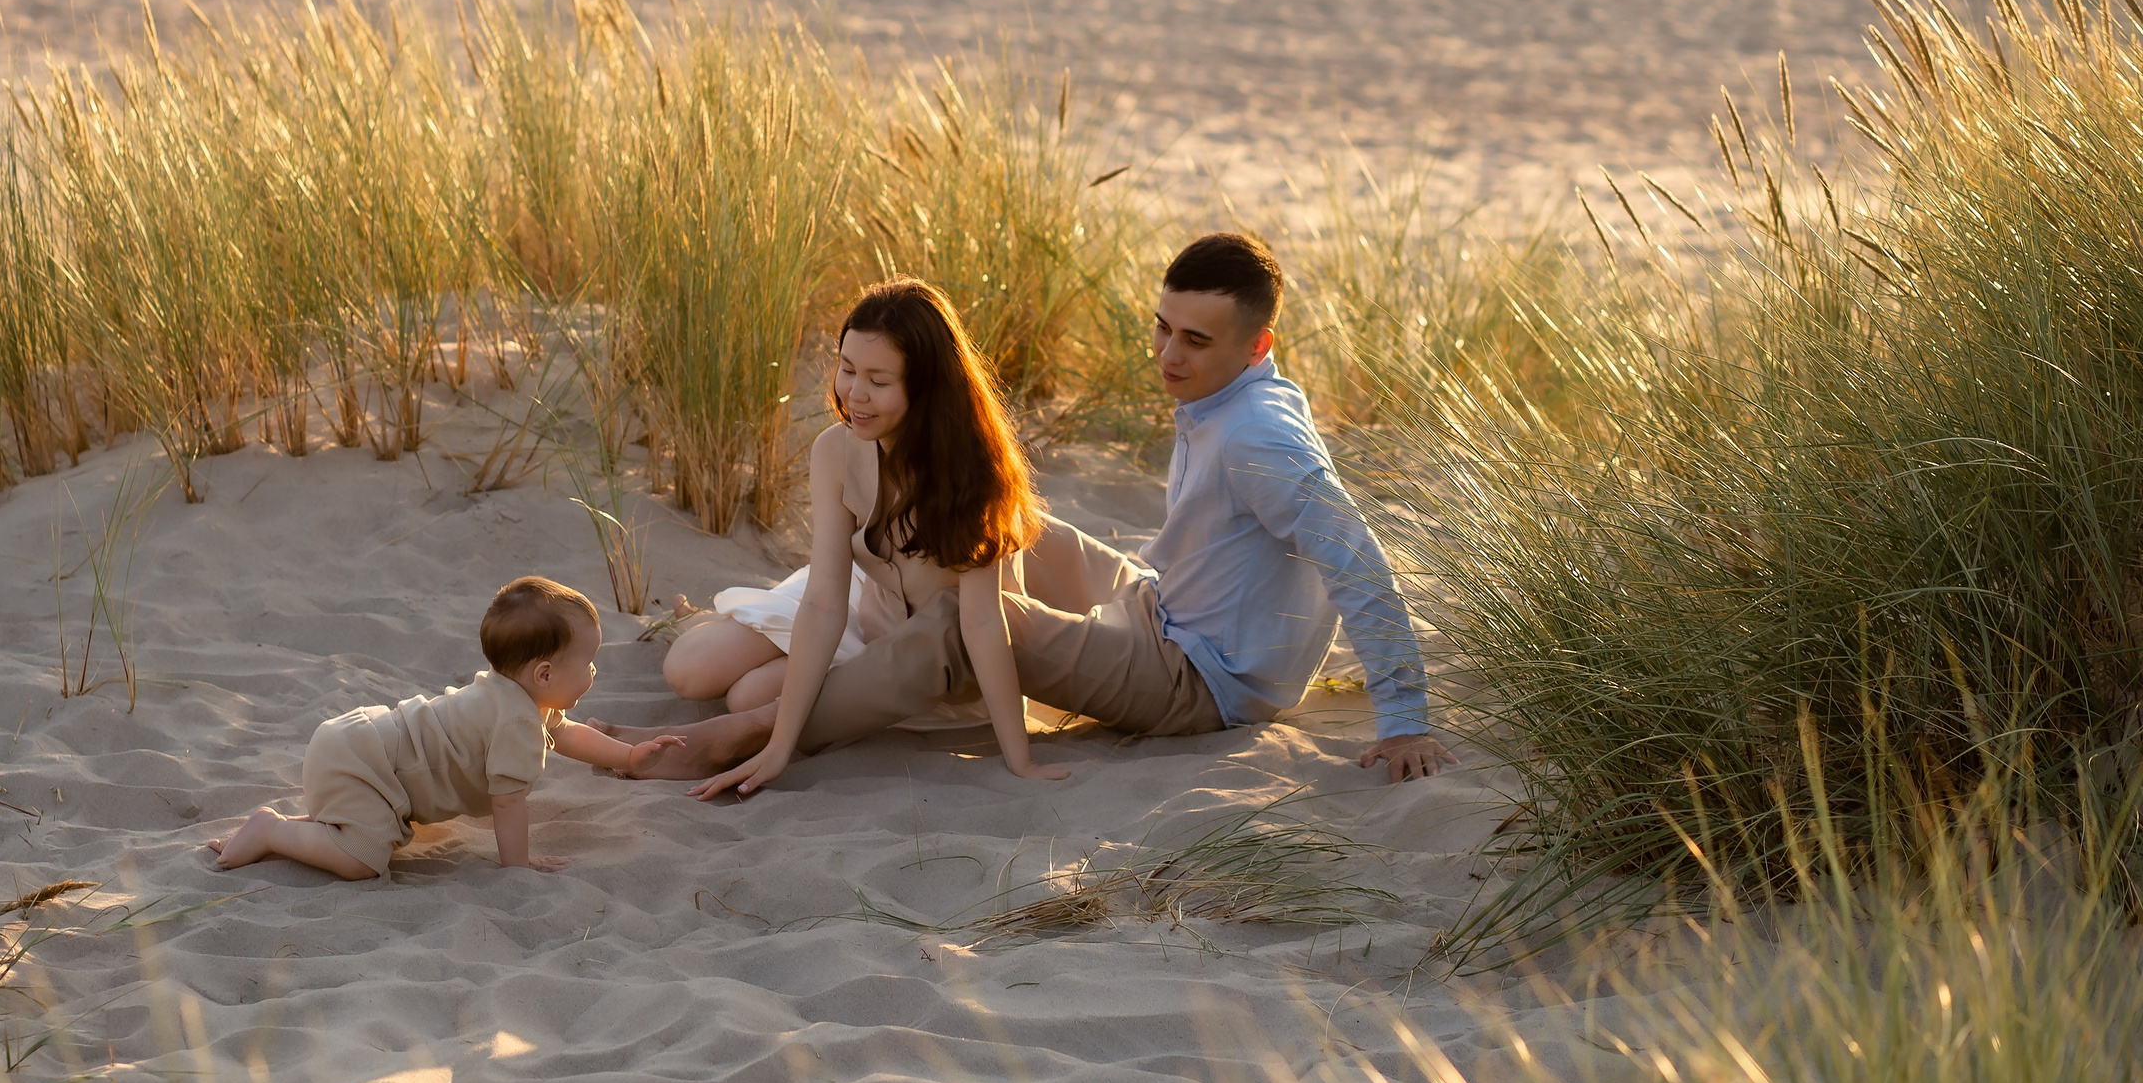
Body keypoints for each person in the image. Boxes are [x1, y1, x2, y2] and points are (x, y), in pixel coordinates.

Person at [619, 234, 1454, 790]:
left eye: (1195, 340)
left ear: (1257, 343)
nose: (1167, 354)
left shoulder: (1260, 437)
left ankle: (757, 732)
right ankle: (825, 644)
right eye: (1161, 328)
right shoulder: (1233, 399)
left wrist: (1407, 717)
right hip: (1161, 610)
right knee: (1010, 523)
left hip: (1205, 678)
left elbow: (1355, 555)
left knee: (964, 618)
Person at [661, 279, 1073, 797]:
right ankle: (699, 620)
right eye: (847, 368)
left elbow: (983, 623)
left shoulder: (973, 472)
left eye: (879, 380)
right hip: (860, 604)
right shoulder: (836, 450)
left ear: (927, 388)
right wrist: (779, 750)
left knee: (749, 698)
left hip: (925, 664)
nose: (854, 393)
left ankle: (729, 625)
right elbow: (826, 601)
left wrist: (1021, 760)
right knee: (689, 670)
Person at [204, 576, 686, 879]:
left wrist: (627, 757)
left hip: (358, 747)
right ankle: (270, 830)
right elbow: (508, 802)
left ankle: (294, 830)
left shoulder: (509, 694)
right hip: (367, 764)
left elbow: (568, 734)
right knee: (361, 863)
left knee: (359, 829)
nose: (594, 672)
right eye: (589, 662)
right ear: (544, 675)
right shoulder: (517, 720)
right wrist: (517, 866)